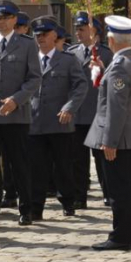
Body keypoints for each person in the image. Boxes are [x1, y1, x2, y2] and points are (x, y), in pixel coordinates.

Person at [0, 0, 42, 226]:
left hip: (17, 116)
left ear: (15, 20)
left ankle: (26, 209)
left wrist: (16, 100)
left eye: (6, 18)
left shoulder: (27, 45)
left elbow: (35, 78)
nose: (2, 22)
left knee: (19, 164)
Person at [85, 15, 131, 251]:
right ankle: (127, 234)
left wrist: (109, 141)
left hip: (116, 137)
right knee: (127, 188)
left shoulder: (121, 65)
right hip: (126, 135)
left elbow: (116, 108)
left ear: (111, 40)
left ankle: (121, 236)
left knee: (120, 190)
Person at [28, 16, 88, 219]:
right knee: (36, 168)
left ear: (54, 36)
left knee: (63, 166)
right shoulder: (30, 60)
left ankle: (68, 202)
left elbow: (80, 86)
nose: (40, 38)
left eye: (44, 34)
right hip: (35, 122)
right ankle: (36, 207)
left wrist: (70, 107)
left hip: (60, 123)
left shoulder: (68, 60)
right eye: (37, 35)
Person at [68, 12, 114, 208]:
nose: (77, 32)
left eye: (82, 29)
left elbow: (113, 81)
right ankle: (79, 196)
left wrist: (102, 69)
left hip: (97, 112)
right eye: (77, 29)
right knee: (78, 158)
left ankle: (108, 193)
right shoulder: (71, 53)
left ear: (93, 31)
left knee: (102, 158)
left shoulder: (107, 53)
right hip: (78, 113)